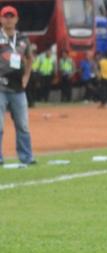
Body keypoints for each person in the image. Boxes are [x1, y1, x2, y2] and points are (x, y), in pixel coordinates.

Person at [0, 5, 35, 165]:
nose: (8, 19)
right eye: (5, 16)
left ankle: (26, 157)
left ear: (16, 19)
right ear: (1, 19)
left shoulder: (22, 39)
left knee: (23, 125)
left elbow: (29, 58)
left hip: (18, 88)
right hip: (0, 87)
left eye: (11, 16)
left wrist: (27, 76)